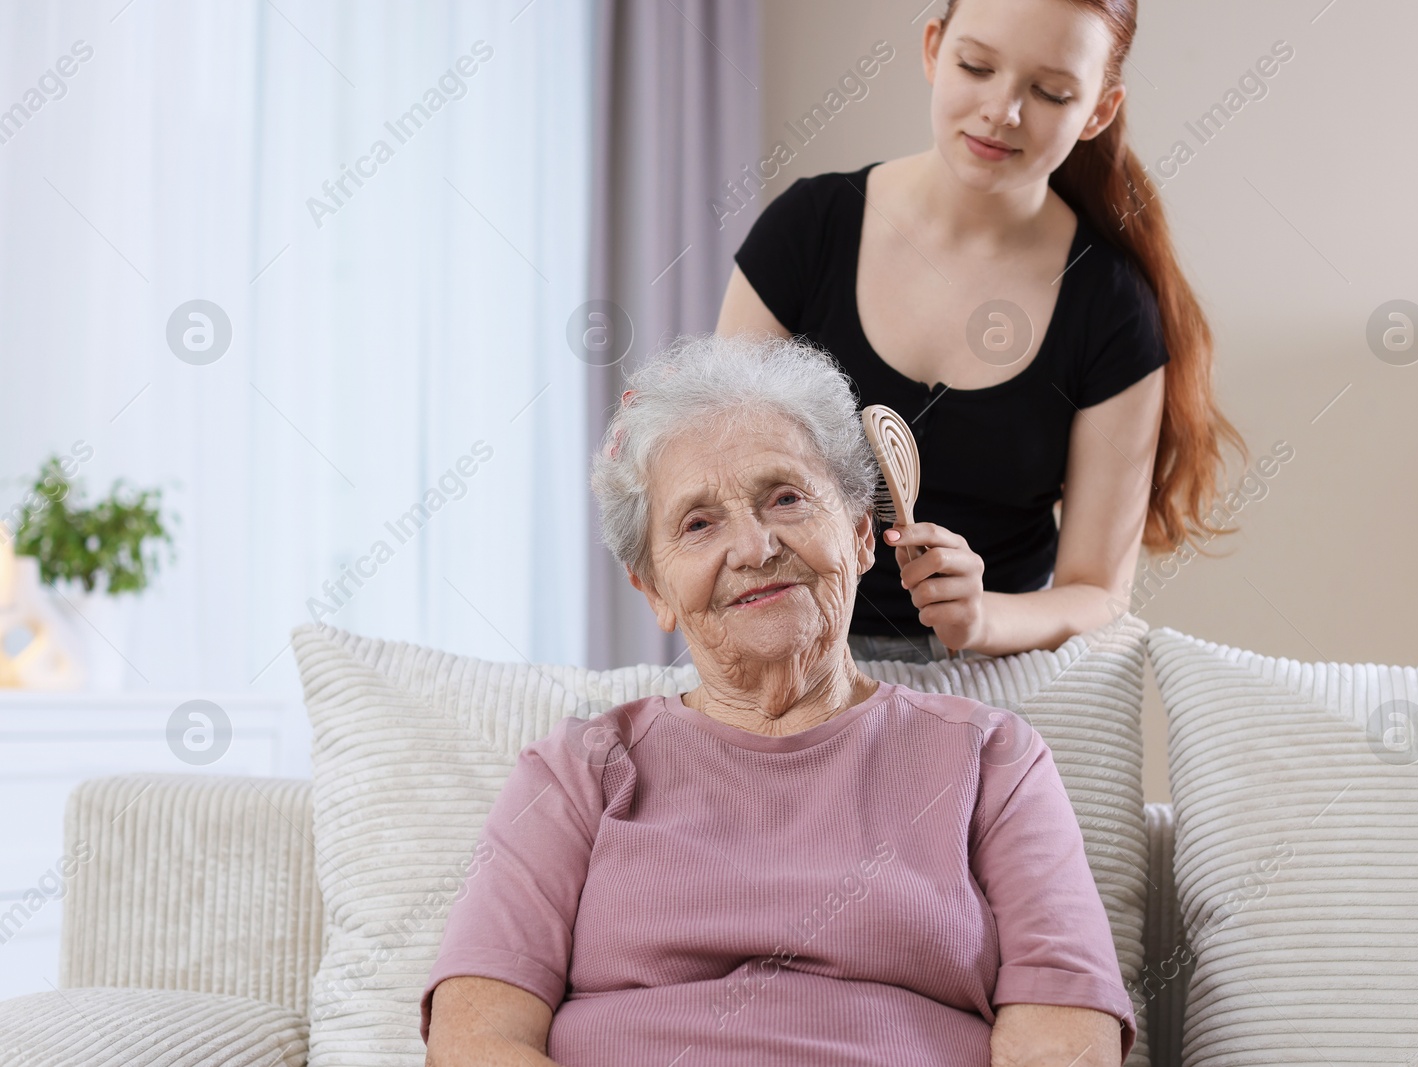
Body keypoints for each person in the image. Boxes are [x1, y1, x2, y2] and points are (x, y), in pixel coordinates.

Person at [420, 335, 1135, 1066]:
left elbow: (1065, 1044)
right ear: (656, 590)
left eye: (786, 498)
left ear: (861, 536)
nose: (756, 547)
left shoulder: (992, 760)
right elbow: (478, 1039)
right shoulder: (576, 772)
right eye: (699, 523)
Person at [717, 0, 1244, 666]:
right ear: (934, 49)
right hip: (786, 659)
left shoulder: (1112, 309)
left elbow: (1098, 592)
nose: (1004, 110)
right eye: (976, 65)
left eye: (1051, 92)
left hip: (981, 685)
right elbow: (718, 475)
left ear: (1099, 111)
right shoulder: (808, 230)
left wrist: (981, 615)